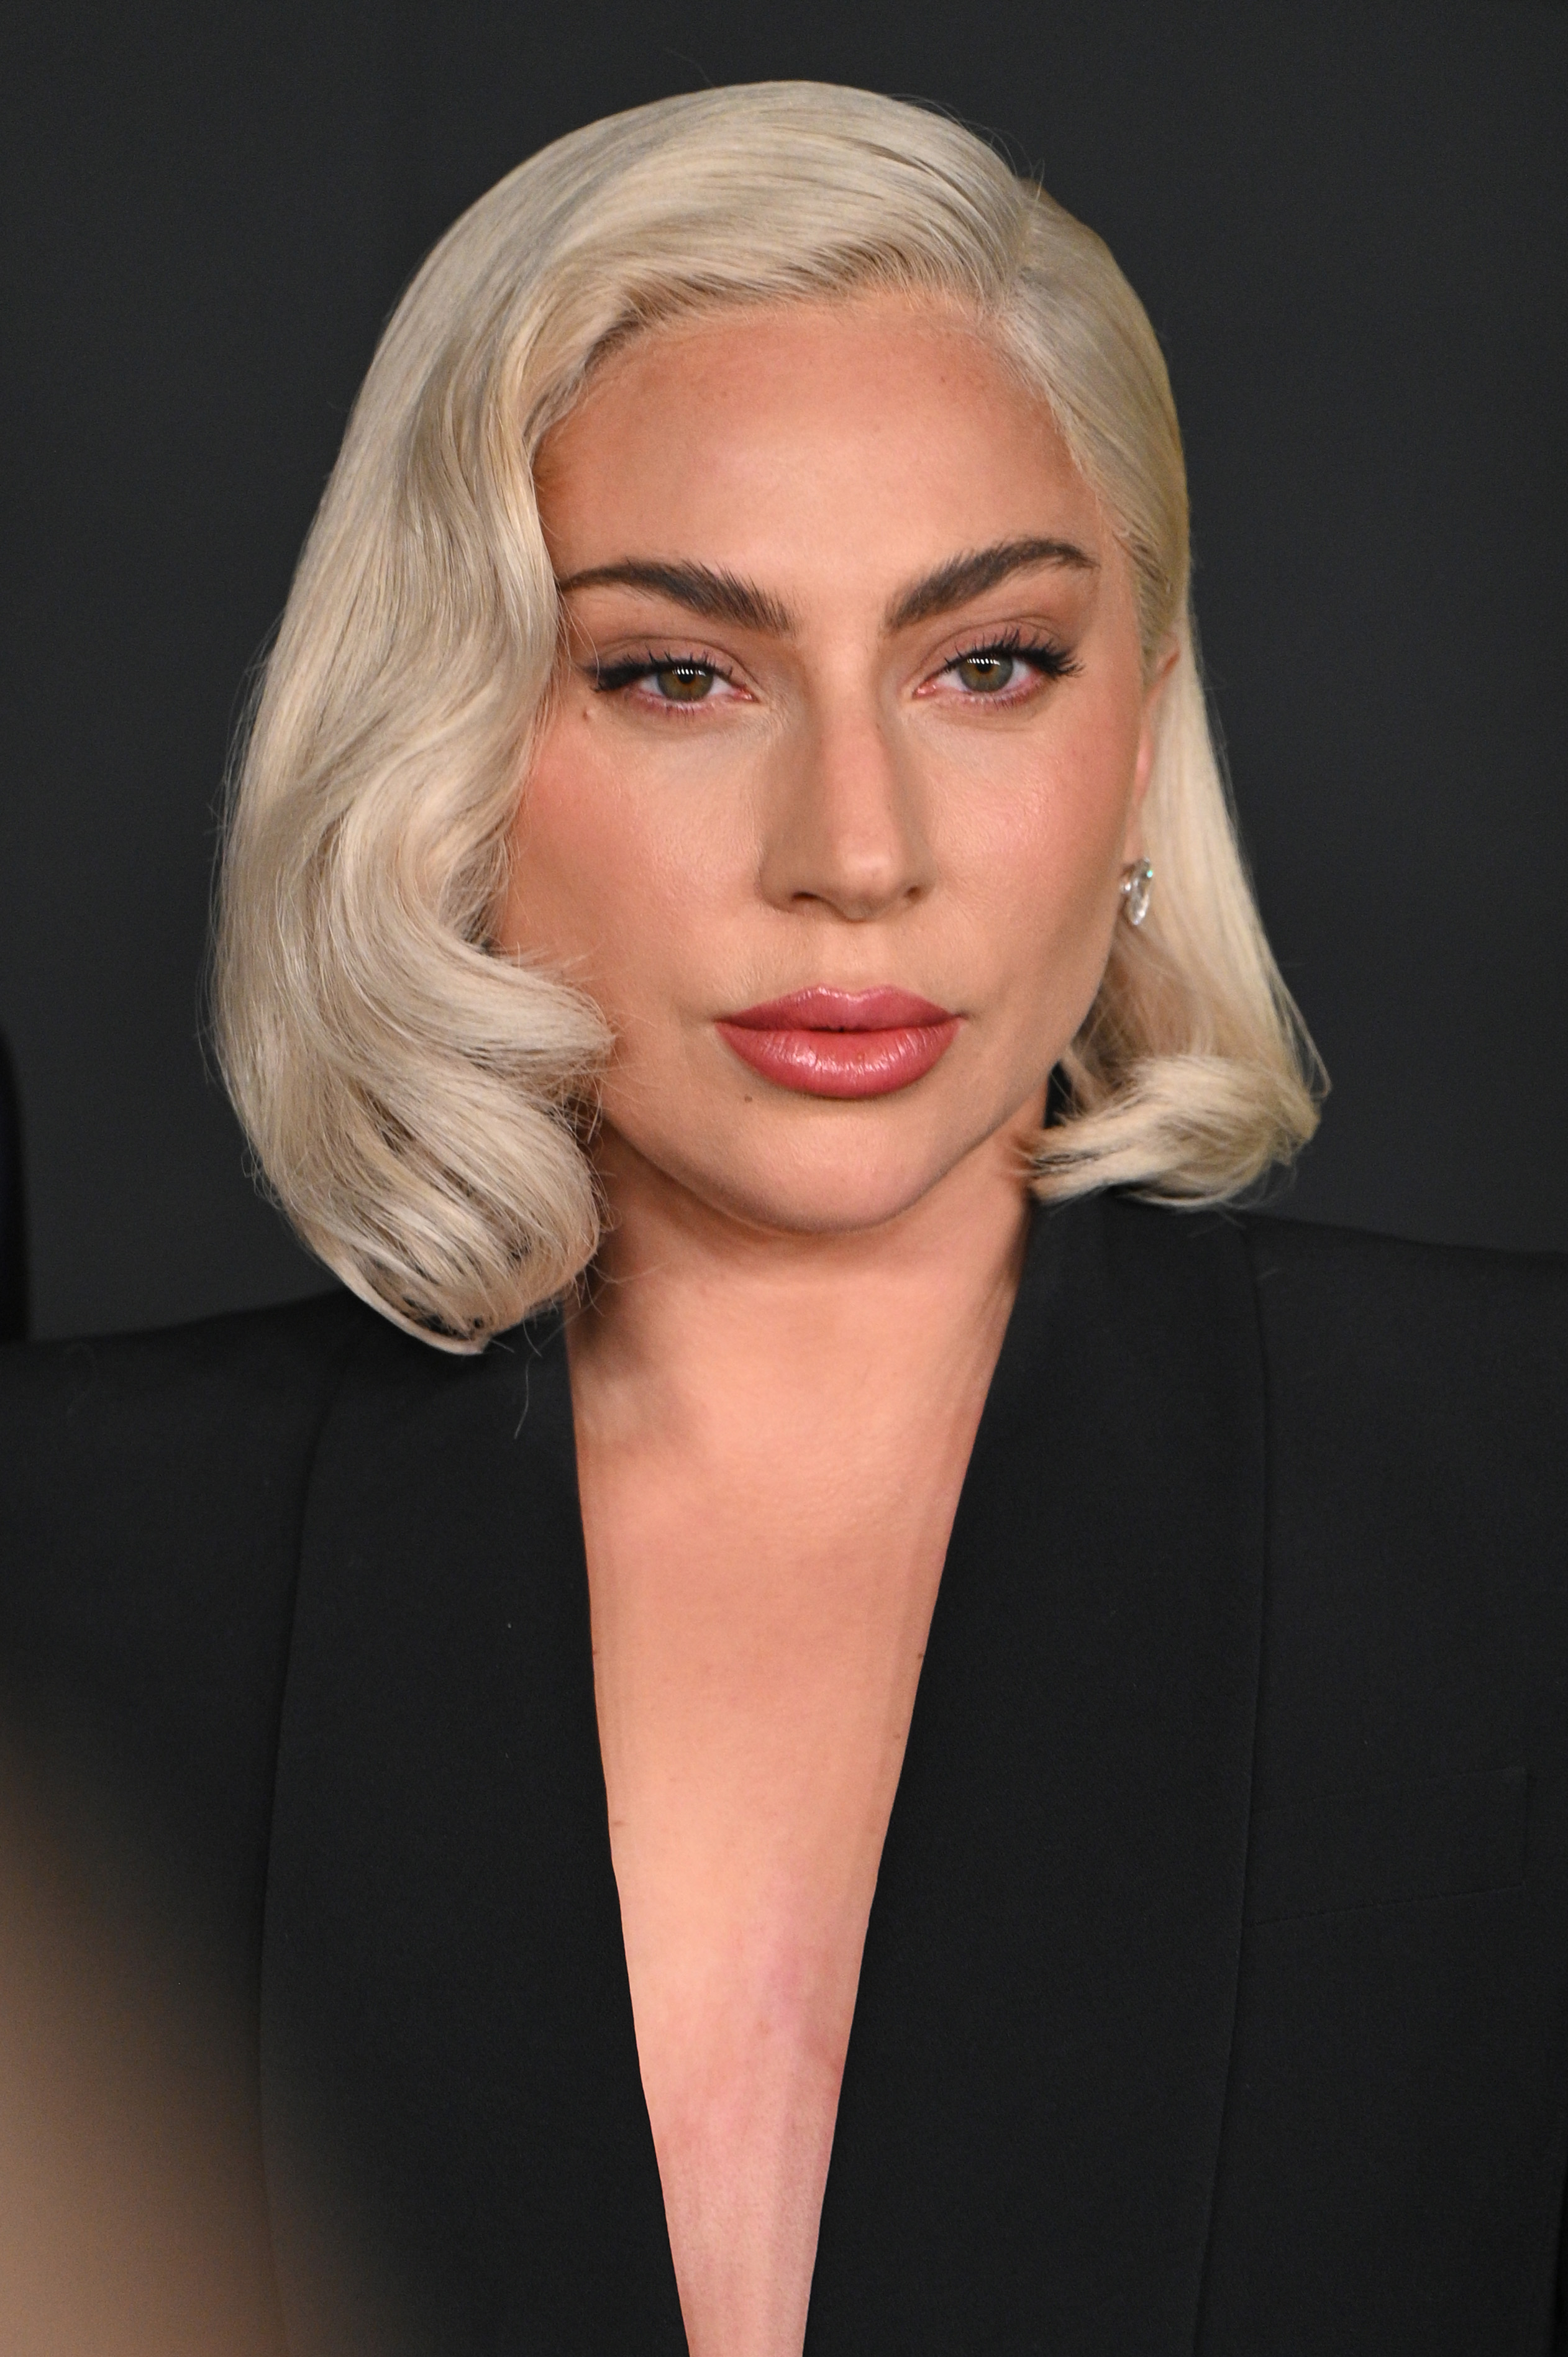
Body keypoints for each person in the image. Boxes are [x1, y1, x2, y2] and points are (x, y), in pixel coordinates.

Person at [2, 81, 1565, 2357]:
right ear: (449, 740)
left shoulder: (1519, 1495)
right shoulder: (64, 1577)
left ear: (1137, 733)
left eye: (986, 662)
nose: (855, 847)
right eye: (679, 673)